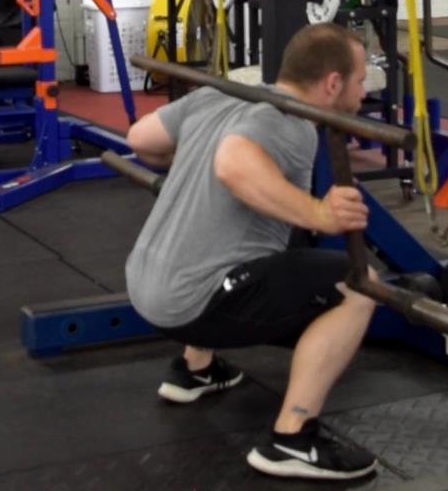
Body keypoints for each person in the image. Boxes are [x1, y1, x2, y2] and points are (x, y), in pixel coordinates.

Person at [122, 23, 379, 481]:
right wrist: (320, 214)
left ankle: (195, 367)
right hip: (193, 301)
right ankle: (292, 438)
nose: (364, 91)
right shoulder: (292, 124)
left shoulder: (220, 94)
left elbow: (140, 139)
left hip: (143, 284)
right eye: (360, 80)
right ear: (333, 83)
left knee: (237, 239)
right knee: (360, 286)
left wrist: (189, 161)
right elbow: (232, 163)